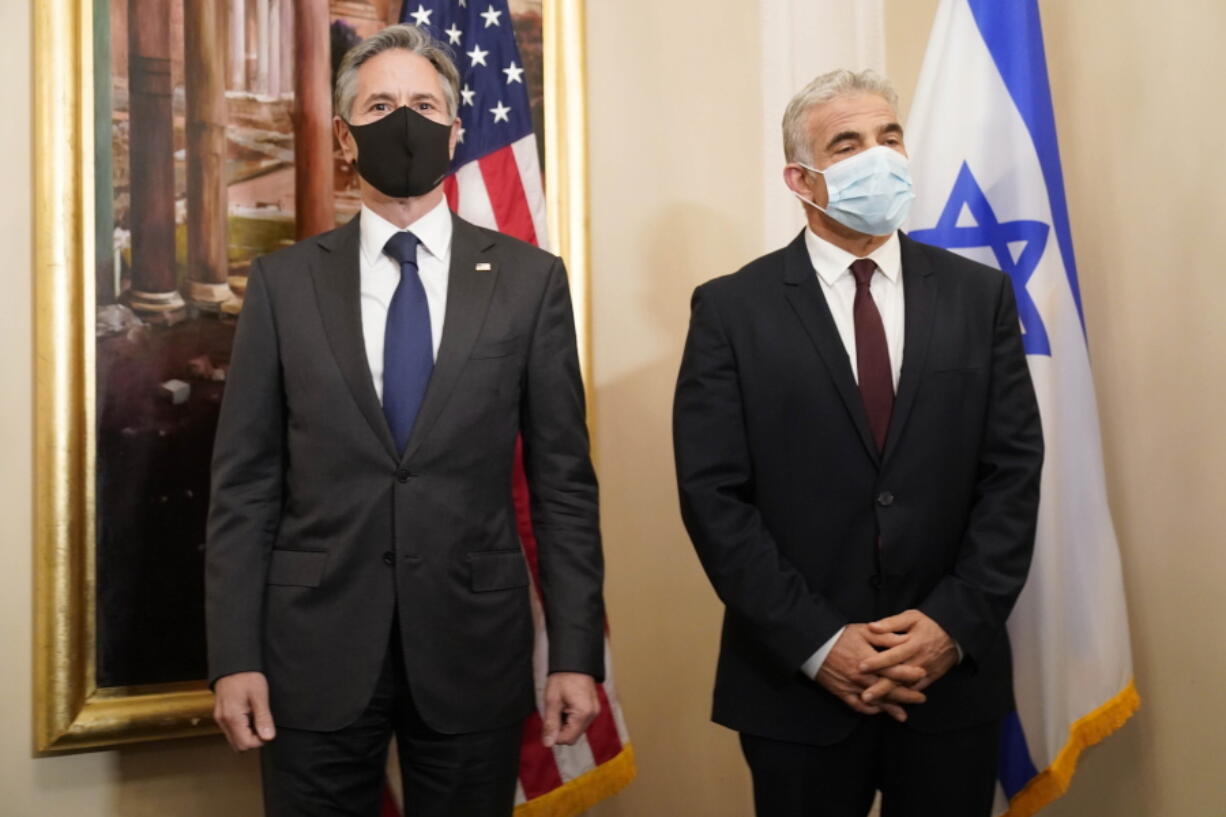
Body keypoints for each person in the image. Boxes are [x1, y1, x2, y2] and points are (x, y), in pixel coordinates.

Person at [206, 24, 605, 817]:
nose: (407, 121)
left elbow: (563, 484)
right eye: (382, 105)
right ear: (347, 138)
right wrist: (233, 657)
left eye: (425, 104)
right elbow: (245, 486)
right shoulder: (284, 286)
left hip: (472, 647)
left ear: (457, 131)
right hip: (311, 653)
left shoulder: (529, 282)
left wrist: (575, 652)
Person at [672, 68, 1043, 817]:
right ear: (800, 179)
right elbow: (715, 499)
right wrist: (819, 641)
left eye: (890, 137)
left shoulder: (980, 297)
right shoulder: (731, 309)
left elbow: (1013, 474)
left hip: (949, 682)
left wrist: (950, 626)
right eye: (849, 144)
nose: (880, 156)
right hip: (794, 689)